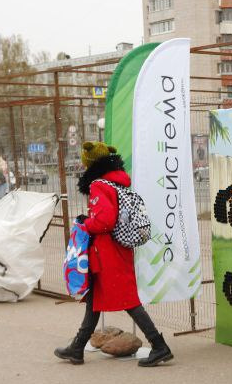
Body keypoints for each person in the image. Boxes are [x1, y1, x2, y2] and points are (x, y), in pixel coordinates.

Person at [53, 142, 173, 368]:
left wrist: (85, 223)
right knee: (95, 299)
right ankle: (77, 348)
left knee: (127, 300)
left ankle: (159, 346)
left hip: (107, 252)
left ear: (90, 162)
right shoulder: (117, 183)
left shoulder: (99, 185)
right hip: (118, 249)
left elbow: (104, 221)